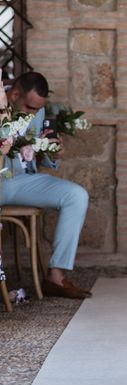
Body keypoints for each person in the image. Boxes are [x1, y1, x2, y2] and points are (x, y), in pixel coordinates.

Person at [0, 72, 91, 299]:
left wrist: (53, 150)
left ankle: (56, 276)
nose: (33, 114)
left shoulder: (37, 111)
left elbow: (39, 155)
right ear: (14, 94)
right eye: (30, 108)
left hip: (22, 180)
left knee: (76, 195)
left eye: (38, 109)